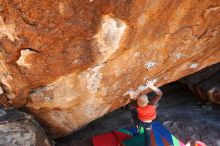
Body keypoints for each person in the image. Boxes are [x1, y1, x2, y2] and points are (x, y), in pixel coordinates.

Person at [131, 81, 163, 146]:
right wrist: (151, 86)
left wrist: (131, 95)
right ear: (148, 101)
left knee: (134, 113)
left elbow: (132, 102)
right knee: (147, 136)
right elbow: (160, 94)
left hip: (140, 122)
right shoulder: (152, 105)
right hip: (148, 124)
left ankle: (139, 128)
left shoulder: (137, 107)